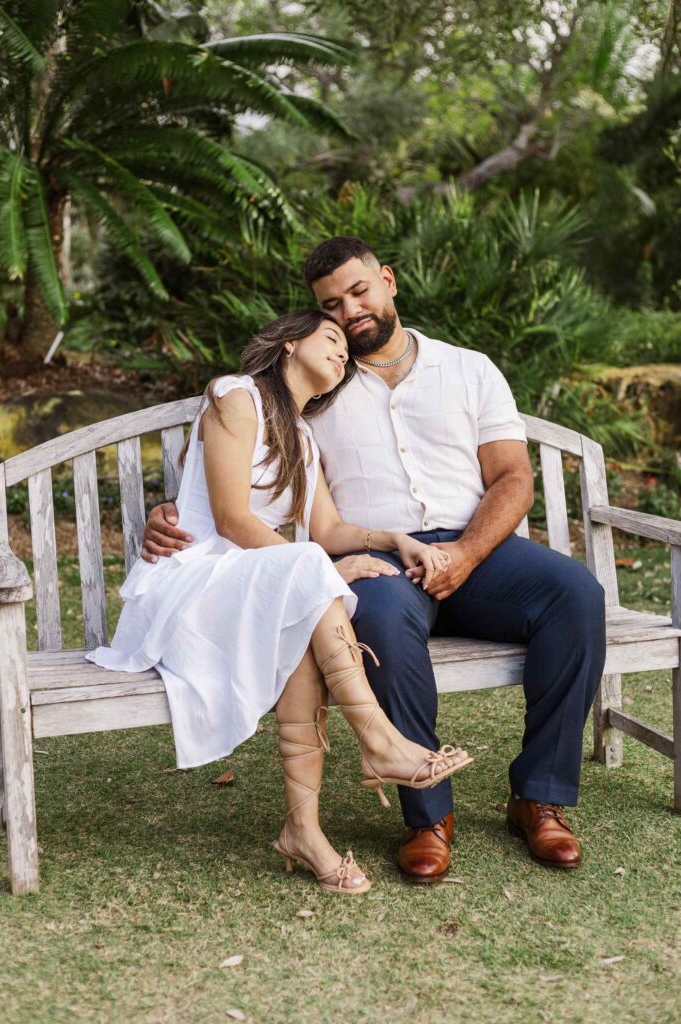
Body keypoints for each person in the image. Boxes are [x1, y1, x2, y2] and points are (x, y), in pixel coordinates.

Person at [142, 236, 607, 881]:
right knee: (382, 621)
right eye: (331, 306)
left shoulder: (468, 369)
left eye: (359, 291)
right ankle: (427, 816)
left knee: (574, 594)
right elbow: (254, 472)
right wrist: (168, 510)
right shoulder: (320, 388)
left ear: (387, 281)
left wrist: (466, 555)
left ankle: (540, 798)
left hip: (475, 543)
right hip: (378, 558)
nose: (349, 311)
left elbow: (513, 479)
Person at [87, 309, 472, 896]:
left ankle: (304, 831)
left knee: (298, 612)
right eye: (330, 339)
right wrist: (319, 566)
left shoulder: (305, 437)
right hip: (189, 584)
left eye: (347, 350)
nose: (343, 354)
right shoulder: (235, 396)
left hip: (249, 583)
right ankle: (376, 738)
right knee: (301, 578)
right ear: (290, 344)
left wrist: (391, 540)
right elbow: (231, 518)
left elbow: (330, 527)